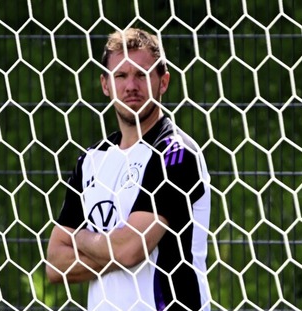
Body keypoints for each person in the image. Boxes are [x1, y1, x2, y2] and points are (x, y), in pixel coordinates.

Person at [45, 28, 211, 311]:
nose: (130, 86)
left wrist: (78, 237)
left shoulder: (175, 153)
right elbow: (55, 264)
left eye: (141, 74)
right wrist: (114, 250)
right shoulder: (91, 160)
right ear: (105, 84)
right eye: (120, 76)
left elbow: (130, 250)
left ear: (164, 81)